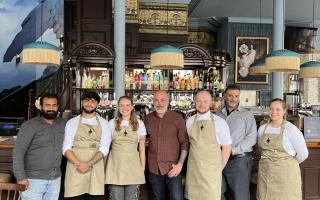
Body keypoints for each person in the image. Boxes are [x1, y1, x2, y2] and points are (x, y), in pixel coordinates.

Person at [13, 93, 66, 200]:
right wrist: (21, 178)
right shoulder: (29, 126)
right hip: (32, 181)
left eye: (54, 105)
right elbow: (18, 153)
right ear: (41, 107)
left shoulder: (63, 124)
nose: (51, 108)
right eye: (47, 105)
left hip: (55, 180)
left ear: (58, 107)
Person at [63, 91, 112, 200]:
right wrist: (79, 164)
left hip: (95, 167)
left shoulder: (104, 123)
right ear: (82, 103)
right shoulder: (71, 122)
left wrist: (88, 164)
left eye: (93, 101)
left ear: (97, 104)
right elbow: (66, 147)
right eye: (86, 101)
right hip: (75, 168)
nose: (89, 104)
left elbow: (104, 148)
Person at [256, 98, 308, 200]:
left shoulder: (291, 130)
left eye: (278, 109)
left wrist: (287, 163)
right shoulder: (262, 129)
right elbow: (261, 150)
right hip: (265, 175)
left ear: (284, 111)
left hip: (286, 176)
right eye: (271, 109)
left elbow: (303, 154)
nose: (274, 112)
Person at [185, 90, 232, 200]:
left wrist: (219, 168)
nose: (202, 104)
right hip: (194, 171)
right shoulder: (189, 121)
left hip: (211, 173)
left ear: (210, 103)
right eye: (199, 101)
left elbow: (227, 147)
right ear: (194, 102)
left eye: (205, 101)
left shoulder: (220, 122)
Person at [144, 90, 189, 200]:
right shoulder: (148, 119)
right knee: (158, 198)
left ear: (168, 101)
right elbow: (145, 139)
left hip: (173, 168)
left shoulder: (177, 118)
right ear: (153, 102)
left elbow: (184, 142)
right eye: (156, 100)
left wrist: (180, 164)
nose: (159, 103)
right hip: (153, 168)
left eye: (162, 100)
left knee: (176, 198)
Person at [217, 84, 257, 200]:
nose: (233, 99)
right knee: (216, 192)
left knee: (240, 196)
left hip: (239, 160)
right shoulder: (218, 114)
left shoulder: (246, 114)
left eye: (236, 96)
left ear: (239, 97)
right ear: (225, 96)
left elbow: (252, 137)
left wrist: (232, 151)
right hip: (220, 159)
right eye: (230, 95)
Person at [105, 96, 146, 200]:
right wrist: (104, 168)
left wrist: (142, 169)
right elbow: (106, 148)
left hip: (133, 167)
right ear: (118, 107)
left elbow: (142, 149)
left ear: (132, 107)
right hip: (115, 167)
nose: (125, 108)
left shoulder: (139, 124)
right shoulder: (111, 123)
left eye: (128, 105)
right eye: (121, 105)